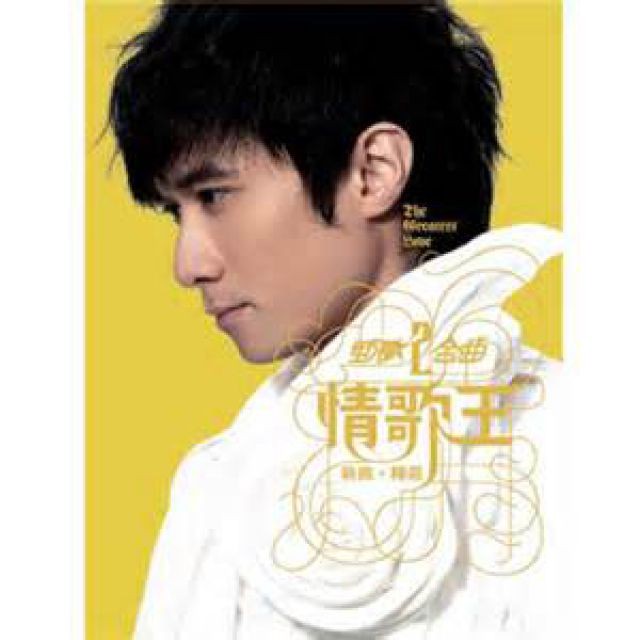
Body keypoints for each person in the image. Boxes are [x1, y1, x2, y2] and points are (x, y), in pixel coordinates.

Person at [108, 2, 563, 638]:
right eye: (175, 213)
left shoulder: (576, 449)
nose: (189, 265)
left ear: (374, 172)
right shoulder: (215, 484)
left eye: (214, 195)